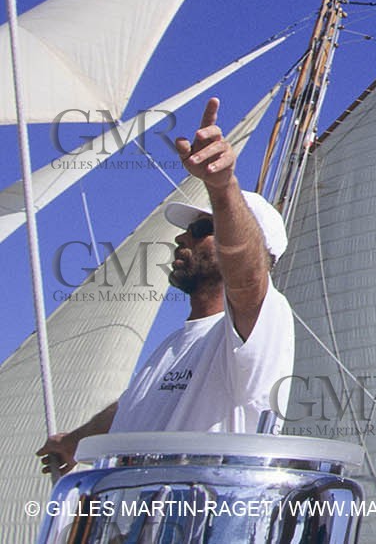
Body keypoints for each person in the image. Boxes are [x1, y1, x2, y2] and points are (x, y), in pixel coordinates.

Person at [36, 97, 294, 473]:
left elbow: (250, 275)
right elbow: (131, 408)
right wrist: (76, 440)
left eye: (203, 229)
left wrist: (223, 189)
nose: (181, 239)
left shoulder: (263, 324)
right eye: (187, 230)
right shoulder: (172, 345)